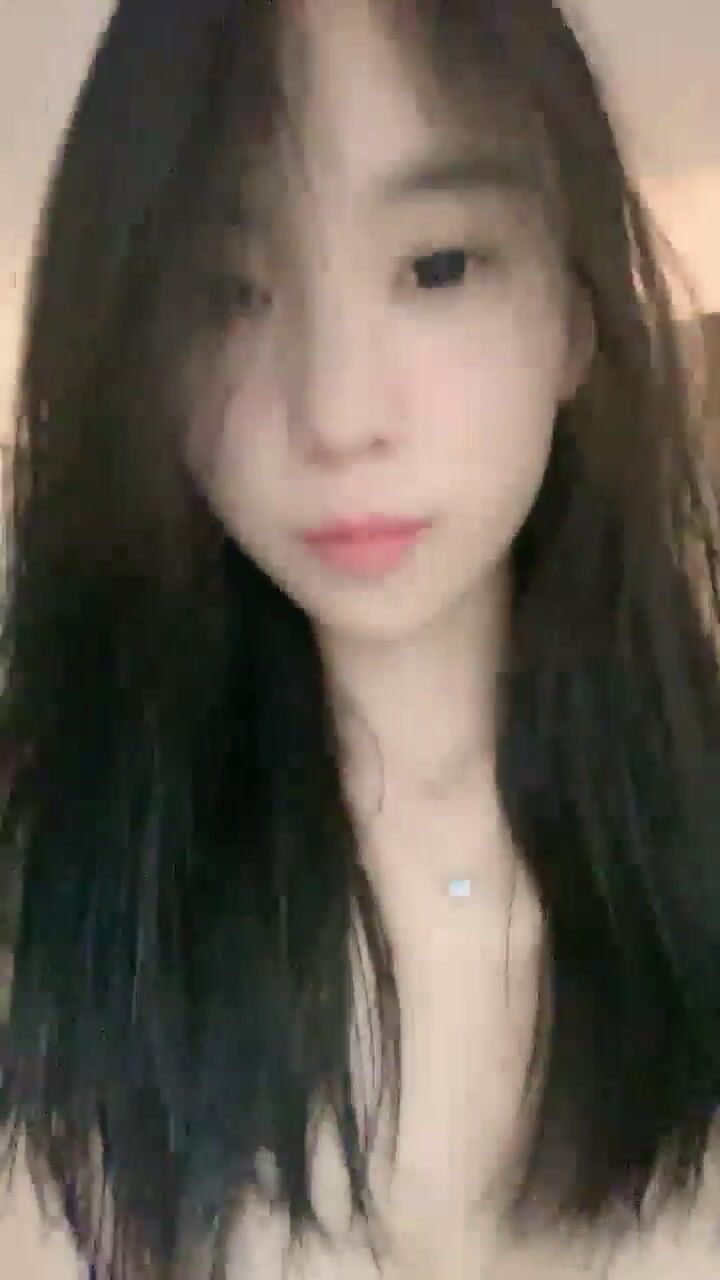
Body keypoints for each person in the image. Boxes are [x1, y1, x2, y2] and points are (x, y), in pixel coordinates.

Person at [1, 0, 719, 1276]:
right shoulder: (60, 905)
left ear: (574, 311)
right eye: (229, 291)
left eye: (437, 266)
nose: (337, 412)